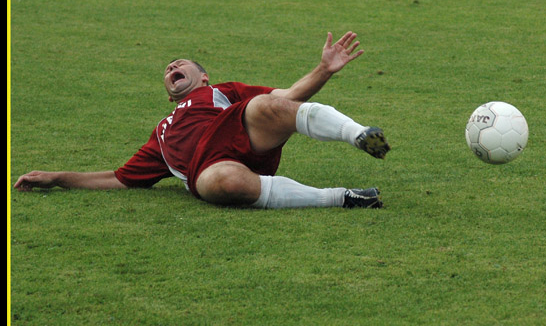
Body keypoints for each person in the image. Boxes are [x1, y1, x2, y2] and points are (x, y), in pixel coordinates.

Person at [14, 32, 390, 209]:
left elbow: (288, 99)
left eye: (181, 63)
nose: (173, 66)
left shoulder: (221, 91)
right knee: (221, 183)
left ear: (203, 77)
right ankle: (342, 198)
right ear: (168, 91)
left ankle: (358, 134)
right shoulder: (160, 136)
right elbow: (119, 179)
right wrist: (58, 178)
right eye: (168, 68)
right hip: (211, 165)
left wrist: (323, 70)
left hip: (243, 133)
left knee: (263, 105)